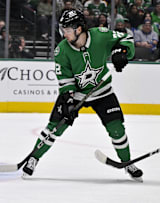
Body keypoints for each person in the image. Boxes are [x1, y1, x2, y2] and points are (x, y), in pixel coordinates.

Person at [22, 9, 143, 182]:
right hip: (77, 94)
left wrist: (122, 51)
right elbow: (65, 80)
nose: (64, 34)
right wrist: (69, 100)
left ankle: (127, 162)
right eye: (63, 30)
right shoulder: (61, 51)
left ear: (79, 29)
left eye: (68, 30)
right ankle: (33, 157)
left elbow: (126, 39)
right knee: (55, 127)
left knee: (117, 128)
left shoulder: (100, 35)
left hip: (102, 91)